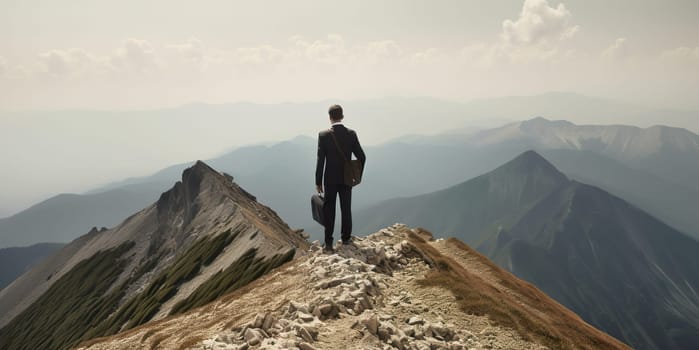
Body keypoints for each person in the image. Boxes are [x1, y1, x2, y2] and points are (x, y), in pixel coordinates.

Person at [315, 104, 366, 252]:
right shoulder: (351, 134)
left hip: (329, 179)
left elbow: (320, 160)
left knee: (329, 209)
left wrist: (318, 181)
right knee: (346, 208)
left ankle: (329, 243)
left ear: (330, 117)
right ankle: (346, 239)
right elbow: (362, 157)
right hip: (347, 178)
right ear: (342, 116)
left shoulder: (323, 135)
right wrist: (356, 175)